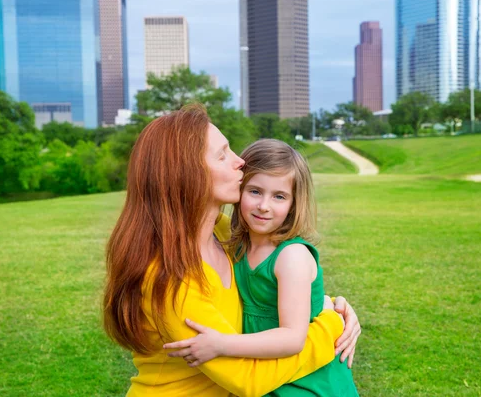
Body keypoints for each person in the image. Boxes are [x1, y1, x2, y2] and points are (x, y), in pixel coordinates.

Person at [103, 105, 361, 397]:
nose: (240, 162)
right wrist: (330, 327)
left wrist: (331, 303)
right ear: (188, 173)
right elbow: (249, 379)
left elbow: (274, 288)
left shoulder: (225, 233)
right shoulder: (169, 277)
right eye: (223, 155)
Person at [163, 139, 359, 396]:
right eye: (255, 191)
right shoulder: (235, 244)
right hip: (268, 373)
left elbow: (292, 337)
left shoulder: (291, 256)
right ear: (240, 189)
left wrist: (222, 344)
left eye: (279, 196)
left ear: (293, 204)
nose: (264, 205)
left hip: (307, 381)